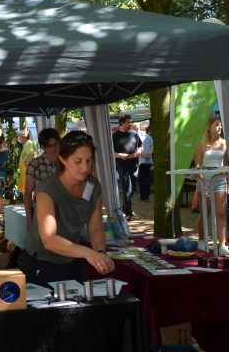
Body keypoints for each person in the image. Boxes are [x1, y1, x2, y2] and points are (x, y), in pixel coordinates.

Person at [19, 131, 115, 285]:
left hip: (72, 258)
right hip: (41, 261)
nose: (84, 167)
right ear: (63, 159)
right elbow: (49, 240)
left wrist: (100, 252)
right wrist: (87, 253)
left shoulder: (93, 186)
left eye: (88, 161)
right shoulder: (47, 188)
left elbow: (96, 228)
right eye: (78, 161)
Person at [193, 117, 229, 256]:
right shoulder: (202, 144)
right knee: (206, 212)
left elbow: (226, 164)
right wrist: (202, 180)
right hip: (205, 181)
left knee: (221, 212)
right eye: (217, 125)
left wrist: (228, 182)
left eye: (221, 125)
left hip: (220, 180)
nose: (220, 127)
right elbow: (197, 166)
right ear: (209, 127)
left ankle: (222, 245)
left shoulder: (224, 143)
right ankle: (202, 241)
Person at [23, 127, 60, 228]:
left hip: (64, 215)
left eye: (55, 144)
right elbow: (27, 195)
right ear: (43, 147)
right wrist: (29, 220)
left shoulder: (66, 163)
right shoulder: (35, 165)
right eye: (49, 145)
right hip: (42, 216)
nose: (53, 148)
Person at [112, 115, 142, 218]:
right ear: (122, 123)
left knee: (133, 186)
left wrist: (138, 152)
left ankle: (125, 207)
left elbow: (140, 146)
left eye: (131, 122)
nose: (130, 124)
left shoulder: (134, 134)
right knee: (127, 187)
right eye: (128, 122)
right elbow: (111, 152)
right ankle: (128, 212)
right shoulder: (114, 136)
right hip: (122, 164)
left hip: (134, 163)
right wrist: (120, 155)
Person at [137, 122, 153, 202]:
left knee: (141, 179)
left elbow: (139, 147)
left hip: (142, 161)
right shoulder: (149, 137)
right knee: (147, 180)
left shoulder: (139, 137)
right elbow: (152, 147)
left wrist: (143, 154)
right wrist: (149, 154)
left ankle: (143, 197)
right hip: (149, 161)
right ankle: (146, 197)